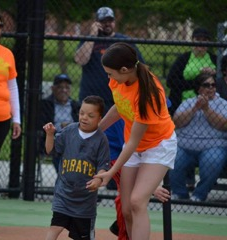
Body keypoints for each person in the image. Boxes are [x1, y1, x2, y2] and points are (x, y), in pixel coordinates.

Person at [94, 42, 177, 240]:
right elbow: (120, 106)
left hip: (158, 146)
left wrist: (111, 172)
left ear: (124, 70)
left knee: (137, 201)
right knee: (127, 208)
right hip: (134, 145)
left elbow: (132, 143)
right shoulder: (120, 80)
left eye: (110, 73)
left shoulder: (148, 95)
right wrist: (96, 130)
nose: (109, 78)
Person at [74, 7, 145, 240]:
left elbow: (140, 71)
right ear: (96, 22)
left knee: (119, 162)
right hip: (96, 108)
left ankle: (123, 218)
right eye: (102, 21)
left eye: (110, 20)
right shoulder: (90, 41)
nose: (107, 24)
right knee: (95, 158)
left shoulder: (124, 44)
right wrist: (92, 35)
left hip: (120, 112)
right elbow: (79, 59)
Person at [43, 96, 110, 240]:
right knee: (54, 227)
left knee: (84, 236)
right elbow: (51, 150)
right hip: (64, 194)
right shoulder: (69, 131)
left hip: (85, 201)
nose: (84, 117)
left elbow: (103, 166)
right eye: (81, 113)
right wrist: (49, 135)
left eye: (91, 115)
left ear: (100, 118)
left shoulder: (101, 139)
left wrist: (98, 181)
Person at [0, 9, 21, 234]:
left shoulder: (7, 53)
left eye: (0, 25)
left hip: (0, 120)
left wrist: (17, 119)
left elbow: (12, 87)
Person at [169, 72, 227, 202]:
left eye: (213, 85)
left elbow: (223, 125)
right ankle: (179, 193)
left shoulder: (223, 104)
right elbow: (177, 122)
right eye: (206, 85)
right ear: (198, 88)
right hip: (184, 145)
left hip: (214, 146)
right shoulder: (189, 102)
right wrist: (195, 108)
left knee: (212, 162)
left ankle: (199, 195)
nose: (211, 88)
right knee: (174, 158)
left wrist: (206, 109)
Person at [167, 27, 216, 116]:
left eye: (204, 40)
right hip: (183, 102)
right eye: (198, 39)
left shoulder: (214, 59)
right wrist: (195, 83)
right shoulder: (184, 58)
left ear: (208, 42)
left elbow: (220, 81)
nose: (201, 43)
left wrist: (214, 74)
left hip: (209, 102)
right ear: (192, 41)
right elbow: (170, 81)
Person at [39, 73, 80, 172]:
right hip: (54, 137)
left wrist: (71, 126)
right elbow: (41, 125)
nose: (64, 90)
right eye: (60, 87)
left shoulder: (76, 105)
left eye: (67, 87)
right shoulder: (46, 104)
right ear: (53, 89)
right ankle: (65, 175)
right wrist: (58, 127)